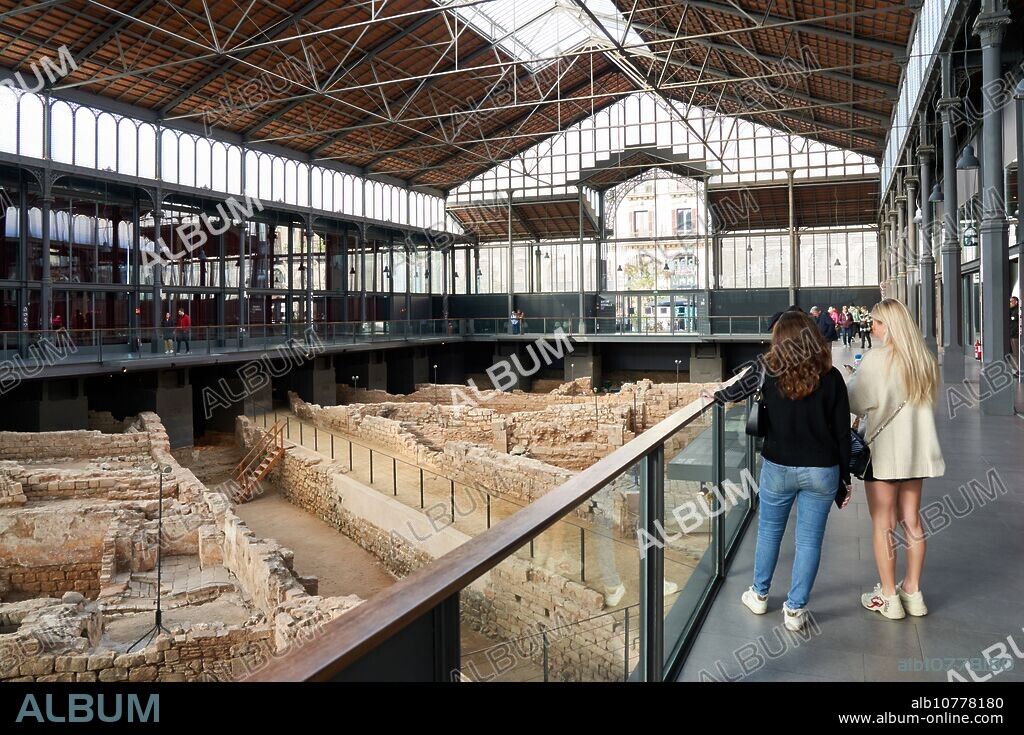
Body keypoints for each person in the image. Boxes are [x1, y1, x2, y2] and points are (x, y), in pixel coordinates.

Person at [702, 311, 851, 632]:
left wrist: (713, 395)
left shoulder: (767, 371)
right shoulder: (833, 376)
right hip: (822, 469)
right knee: (809, 542)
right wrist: (844, 479)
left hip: (778, 467)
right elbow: (842, 434)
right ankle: (795, 611)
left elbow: (734, 391)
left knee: (769, 532)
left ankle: (759, 595)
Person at [847, 299, 944, 620]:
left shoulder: (877, 360)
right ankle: (913, 592)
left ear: (888, 325)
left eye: (875, 322)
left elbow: (855, 401)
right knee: (912, 521)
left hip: (884, 454)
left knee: (883, 525)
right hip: (916, 453)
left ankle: (889, 597)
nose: (870, 327)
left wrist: (853, 375)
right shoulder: (924, 361)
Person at [1010, 296, 1019, 375]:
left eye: (1012, 301)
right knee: (1015, 353)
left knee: (1017, 353)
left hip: (1016, 336)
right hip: (1012, 335)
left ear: (1016, 302)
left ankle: (1019, 370)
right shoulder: (1011, 311)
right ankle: (1017, 369)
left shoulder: (1016, 311)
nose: (1010, 303)